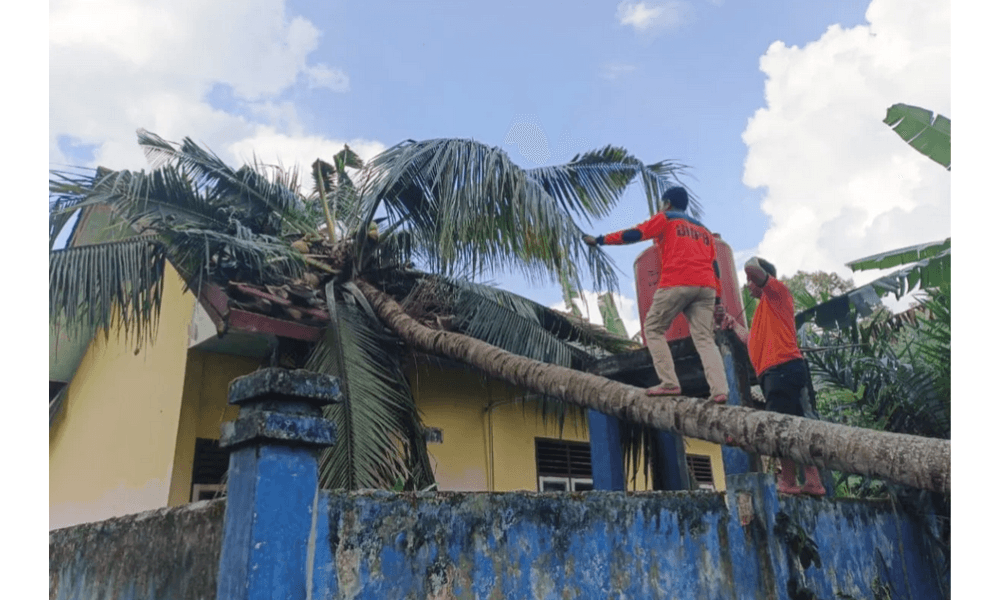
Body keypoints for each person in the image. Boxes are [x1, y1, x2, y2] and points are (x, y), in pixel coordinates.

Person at [583, 186, 729, 403]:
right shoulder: (704, 231)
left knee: (653, 328)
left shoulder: (666, 218)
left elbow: (635, 234)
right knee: (705, 339)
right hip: (706, 286)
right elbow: (715, 266)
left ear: (667, 203)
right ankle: (720, 390)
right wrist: (717, 299)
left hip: (677, 281)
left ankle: (669, 383)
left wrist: (600, 240)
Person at [721, 257, 826, 496]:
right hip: (775, 373)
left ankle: (792, 480)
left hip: (782, 369)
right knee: (791, 426)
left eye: (750, 281)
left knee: (782, 428)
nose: (747, 285)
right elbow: (752, 340)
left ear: (763, 279)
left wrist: (752, 270)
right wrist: (733, 324)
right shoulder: (762, 313)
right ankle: (809, 480)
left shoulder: (778, 293)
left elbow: (753, 267)